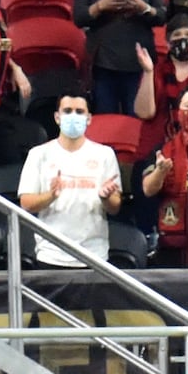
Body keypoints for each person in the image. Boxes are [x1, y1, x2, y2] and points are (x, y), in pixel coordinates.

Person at [15, 92, 125, 264]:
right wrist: (50, 195)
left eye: (79, 112)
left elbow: (115, 207)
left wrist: (106, 197)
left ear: (89, 118)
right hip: (50, 255)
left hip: (94, 255)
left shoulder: (105, 154)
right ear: (57, 117)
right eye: (67, 111)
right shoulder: (38, 154)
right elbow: (26, 203)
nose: (73, 116)